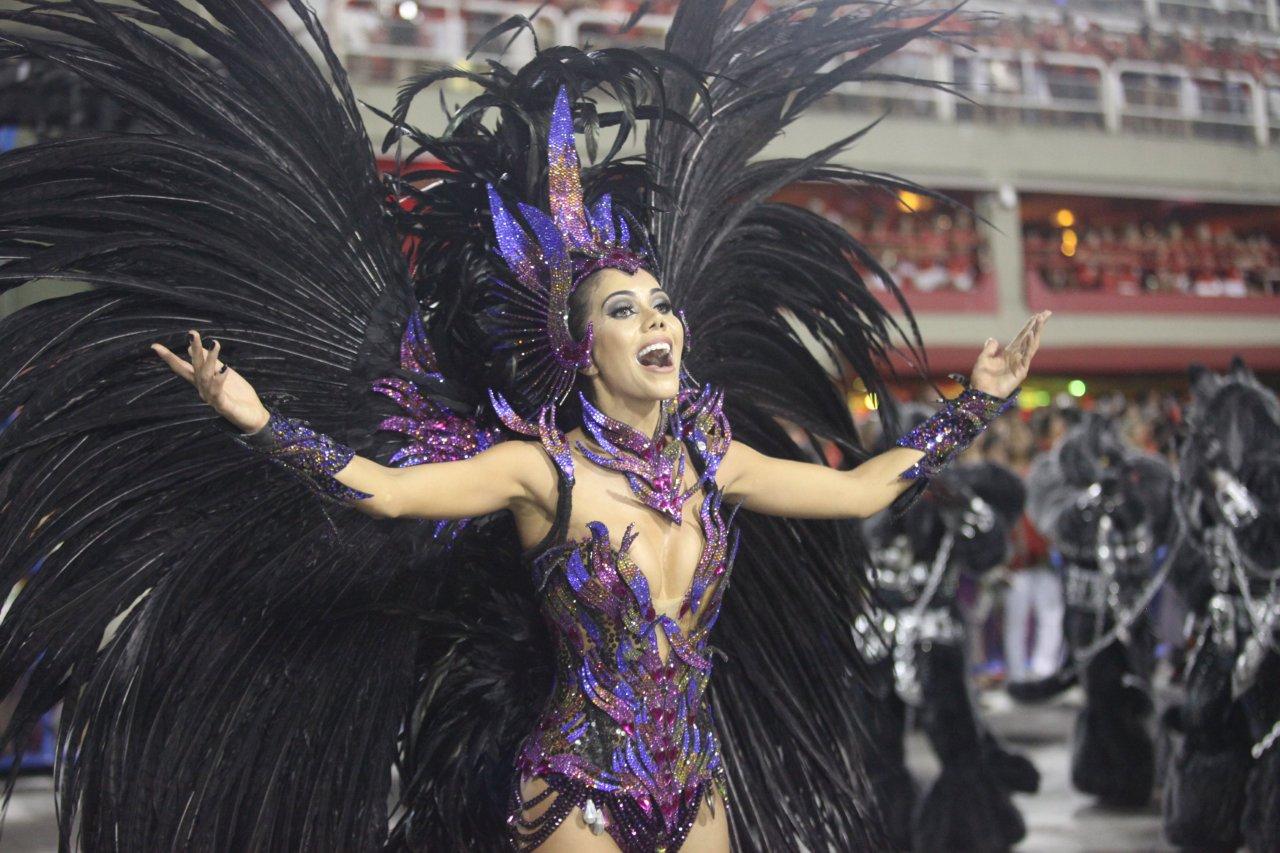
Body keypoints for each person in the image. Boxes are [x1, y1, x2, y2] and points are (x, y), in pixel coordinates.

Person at [0, 1, 1047, 850]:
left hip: (697, 781)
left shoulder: (712, 460)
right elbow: (387, 492)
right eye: (625, 310)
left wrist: (977, 402)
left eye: (663, 305)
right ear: (581, 348)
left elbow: (860, 491)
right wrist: (256, 417)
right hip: (575, 792)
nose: (658, 321)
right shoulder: (540, 472)